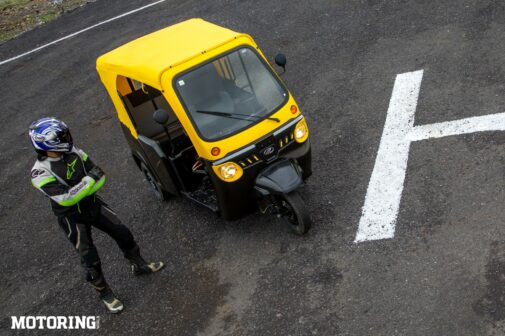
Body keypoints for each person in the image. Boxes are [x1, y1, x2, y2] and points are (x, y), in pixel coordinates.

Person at [29, 117, 164, 314]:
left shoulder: (74, 152)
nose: (68, 137)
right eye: (62, 136)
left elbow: (100, 176)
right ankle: (105, 294)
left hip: (93, 204)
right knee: (89, 259)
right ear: (48, 143)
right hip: (72, 218)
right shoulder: (39, 173)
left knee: (123, 233)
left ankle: (139, 265)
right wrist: (88, 181)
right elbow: (66, 199)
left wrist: (84, 185)